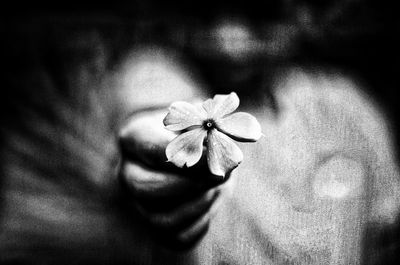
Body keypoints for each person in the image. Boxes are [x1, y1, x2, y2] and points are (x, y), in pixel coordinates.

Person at [1, 1, 399, 264]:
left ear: (301, 19)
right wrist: (156, 159)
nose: (229, 40)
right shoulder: (154, 73)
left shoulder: (343, 105)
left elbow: (383, 231)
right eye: (206, 16)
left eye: (259, 17)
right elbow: (152, 110)